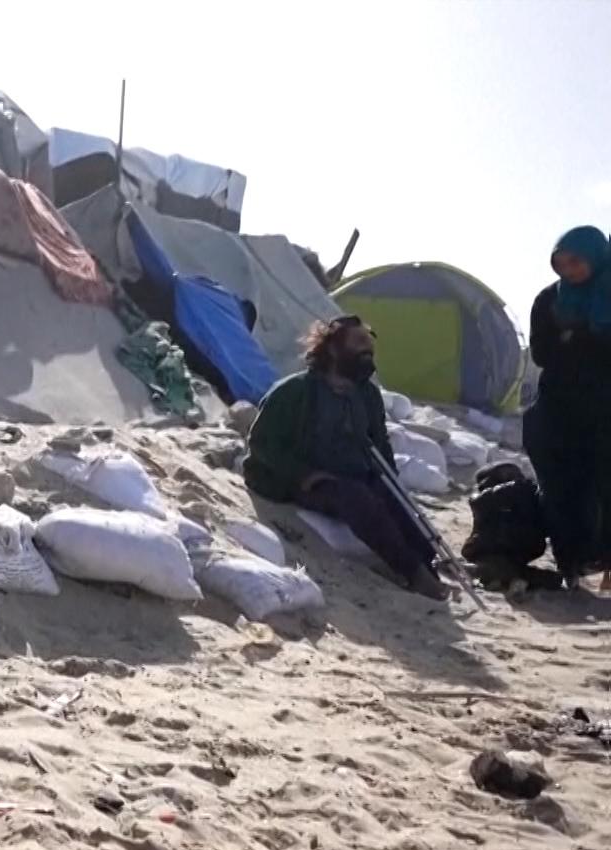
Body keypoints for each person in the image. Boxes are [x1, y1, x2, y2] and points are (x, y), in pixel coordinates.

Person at [243, 315, 449, 599]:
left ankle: (431, 564)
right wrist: (304, 475)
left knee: (395, 501)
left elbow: (379, 442)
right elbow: (261, 443)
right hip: (301, 477)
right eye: (359, 343)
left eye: (370, 344)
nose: (368, 351)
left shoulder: (367, 395)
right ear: (332, 349)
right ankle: (413, 573)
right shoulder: (295, 391)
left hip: (353, 471)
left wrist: (391, 482)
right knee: (357, 498)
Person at [524, 225, 611, 590]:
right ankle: (569, 560)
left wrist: (575, 337)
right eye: (561, 263)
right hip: (558, 404)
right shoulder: (549, 300)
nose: (568, 271)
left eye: (576, 262)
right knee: (559, 481)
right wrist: (584, 337)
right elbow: (542, 352)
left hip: (604, 407)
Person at [462, 462, 558, 594]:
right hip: (489, 552)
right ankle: (511, 579)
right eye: (507, 474)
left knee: (504, 569)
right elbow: (479, 501)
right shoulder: (486, 499)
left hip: (515, 554)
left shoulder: (528, 497)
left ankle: (508, 579)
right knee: (501, 568)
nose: (516, 477)